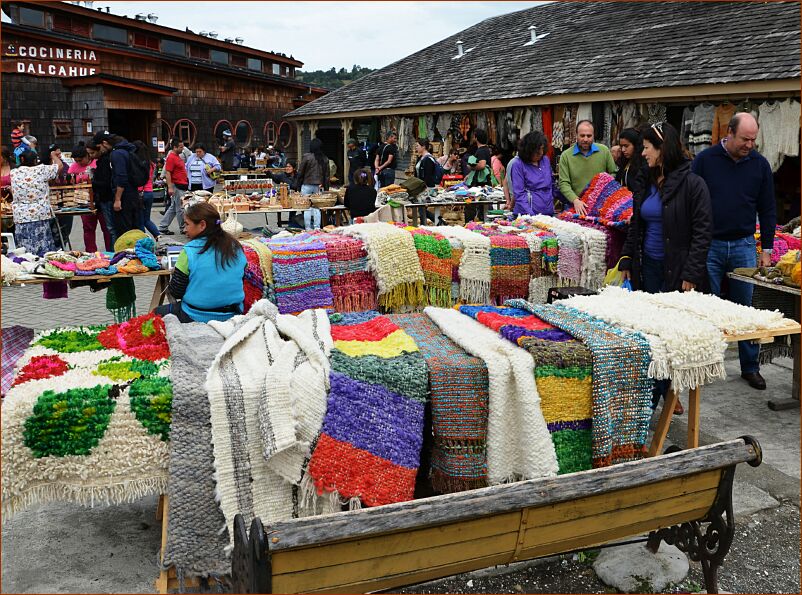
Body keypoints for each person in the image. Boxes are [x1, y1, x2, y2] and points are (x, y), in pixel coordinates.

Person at [619, 122, 713, 412]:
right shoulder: (645, 181)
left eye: (647, 148)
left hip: (677, 271)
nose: (642, 153)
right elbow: (637, 223)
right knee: (647, 336)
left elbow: (702, 231)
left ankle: (652, 401)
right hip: (648, 267)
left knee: (666, 338)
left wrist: (691, 273)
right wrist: (627, 259)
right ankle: (657, 393)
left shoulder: (692, 184)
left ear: (662, 149)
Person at [692, 112, 776, 390]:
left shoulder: (760, 165)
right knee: (707, 308)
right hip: (710, 244)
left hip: (743, 244)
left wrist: (767, 248)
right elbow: (691, 200)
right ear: (728, 132)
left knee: (745, 309)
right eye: (744, 139)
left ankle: (750, 367)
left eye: (753, 139)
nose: (749, 144)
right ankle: (706, 365)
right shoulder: (705, 161)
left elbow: (767, 208)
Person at [153, 201, 246, 323]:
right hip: (232, 313)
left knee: (155, 313)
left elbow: (176, 292)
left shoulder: (189, 251)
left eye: (187, 224)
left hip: (196, 314)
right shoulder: (236, 247)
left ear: (202, 225)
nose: (184, 229)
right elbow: (240, 279)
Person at [558, 120, 618, 216]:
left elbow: (613, 173)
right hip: (575, 205)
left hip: (601, 205)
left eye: (589, 136)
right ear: (576, 135)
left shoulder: (604, 151)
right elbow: (564, 183)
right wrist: (575, 200)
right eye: (582, 136)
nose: (585, 139)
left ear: (594, 135)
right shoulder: (566, 155)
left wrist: (603, 191)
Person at [9, 148, 63, 255]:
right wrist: (53, 155)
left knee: (24, 250)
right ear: (35, 161)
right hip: (39, 215)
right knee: (42, 248)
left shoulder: (13, 172)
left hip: (21, 217)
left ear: (22, 159)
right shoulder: (41, 170)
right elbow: (60, 166)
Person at [94, 131, 143, 236]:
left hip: (125, 197)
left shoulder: (117, 153)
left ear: (104, 143)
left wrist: (117, 199)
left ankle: (127, 251)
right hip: (133, 194)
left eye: (99, 147)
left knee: (124, 232)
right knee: (134, 229)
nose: (100, 150)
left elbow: (121, 178)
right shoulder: (127, 150)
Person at [69, 143, 112, 252]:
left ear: (88, 156)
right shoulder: (73, 167)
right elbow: (70, 182)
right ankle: (91, 252)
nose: (78, 163)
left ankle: (110, 252)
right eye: (76, 160)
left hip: (100, 200)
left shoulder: (96, 163)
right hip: (84, 202)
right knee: (88, 228)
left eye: (81, 160)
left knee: (106, 229)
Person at [508, 131, 559, 216]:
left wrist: (572, 201)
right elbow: (519, 194)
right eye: (537, 151)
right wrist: (532, 216)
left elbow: (552, 186)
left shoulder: (545, 160)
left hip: (548, 213)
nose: (541, 153)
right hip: (527, 215)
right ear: (529, 150)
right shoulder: (518, 164)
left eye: (542, 149)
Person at [87, 138, 117, 246]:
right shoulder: (102, 160)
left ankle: (113, 253)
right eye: (89, 153)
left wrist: (93, 183)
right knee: (110, 229)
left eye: (92, 153)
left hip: (107, 198)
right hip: (106, 198)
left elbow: (106, 182)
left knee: (111, 229)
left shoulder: (105, 161)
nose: (91, 156)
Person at [295, 138, 330, 230]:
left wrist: (298, 187)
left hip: (306, 184)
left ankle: (308, 228)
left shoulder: (307, 157)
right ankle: (317, 227)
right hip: (319, 185)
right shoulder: (325, 158)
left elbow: (300, 173)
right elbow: (327, 176)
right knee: (317, 207)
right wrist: (326, 189)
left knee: (307, 207)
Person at [158, 138, 189, 235]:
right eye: (180, 147)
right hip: (177, 185)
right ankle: (182, 227)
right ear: (174, 147)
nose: (182, 148)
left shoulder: (177, 156)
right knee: (180, 207)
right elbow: (168, 173)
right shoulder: (171, 157)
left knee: (174, 207)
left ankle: (163, 226)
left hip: (181, 184)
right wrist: (170, 187)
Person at [464, 129, 494, 222]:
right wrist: (470, 174)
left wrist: (471, 167)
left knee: (470, 202)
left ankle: (469, 222)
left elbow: (482, 165)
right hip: (483, 183)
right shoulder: (485, 150)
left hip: (478, 185)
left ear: (476, 138)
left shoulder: (481, 151)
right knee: (483, 203)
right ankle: (485, 220)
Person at [135, 142, 160, 240]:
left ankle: (144, 241)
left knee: (140, 221)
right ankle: (158, 235)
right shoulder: (151, 164)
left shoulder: (138, 164)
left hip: (140, 193)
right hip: (149, 192)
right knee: (147, 219)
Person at [615, 128, 648, 196]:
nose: (623, 150)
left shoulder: (643, 164)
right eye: (621, 146)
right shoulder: (624, 162)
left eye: (626, 146)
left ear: (635, 145)